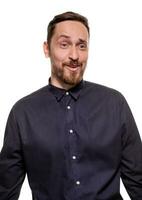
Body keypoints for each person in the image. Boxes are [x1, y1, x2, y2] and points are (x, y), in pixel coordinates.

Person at [0, 11, 142, 200]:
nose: (74, 55)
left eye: (81, 46)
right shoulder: (23, 113)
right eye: (64, 44)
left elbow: (138, 180)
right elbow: (5, 190)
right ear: (47, 49)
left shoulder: (114, 104)